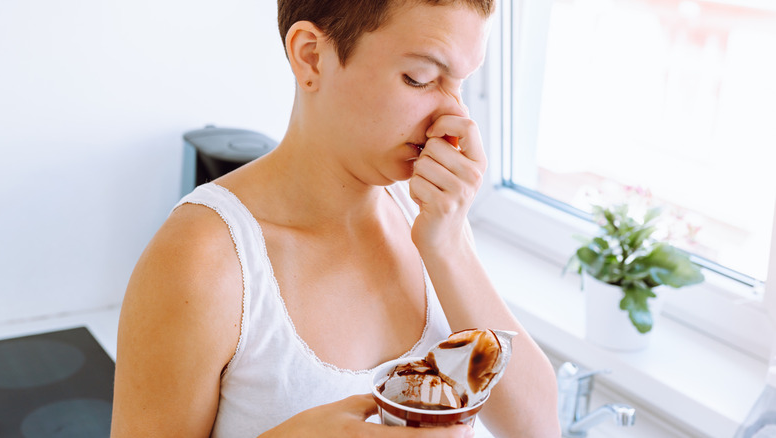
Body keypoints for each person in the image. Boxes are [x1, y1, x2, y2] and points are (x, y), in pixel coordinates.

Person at [111, 0, 561, 436]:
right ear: (311, 57)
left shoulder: (429, 221)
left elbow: (539, 430)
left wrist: (449, 247)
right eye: (419, 78)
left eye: (460, 82)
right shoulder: (202, 259)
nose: (455, 115)